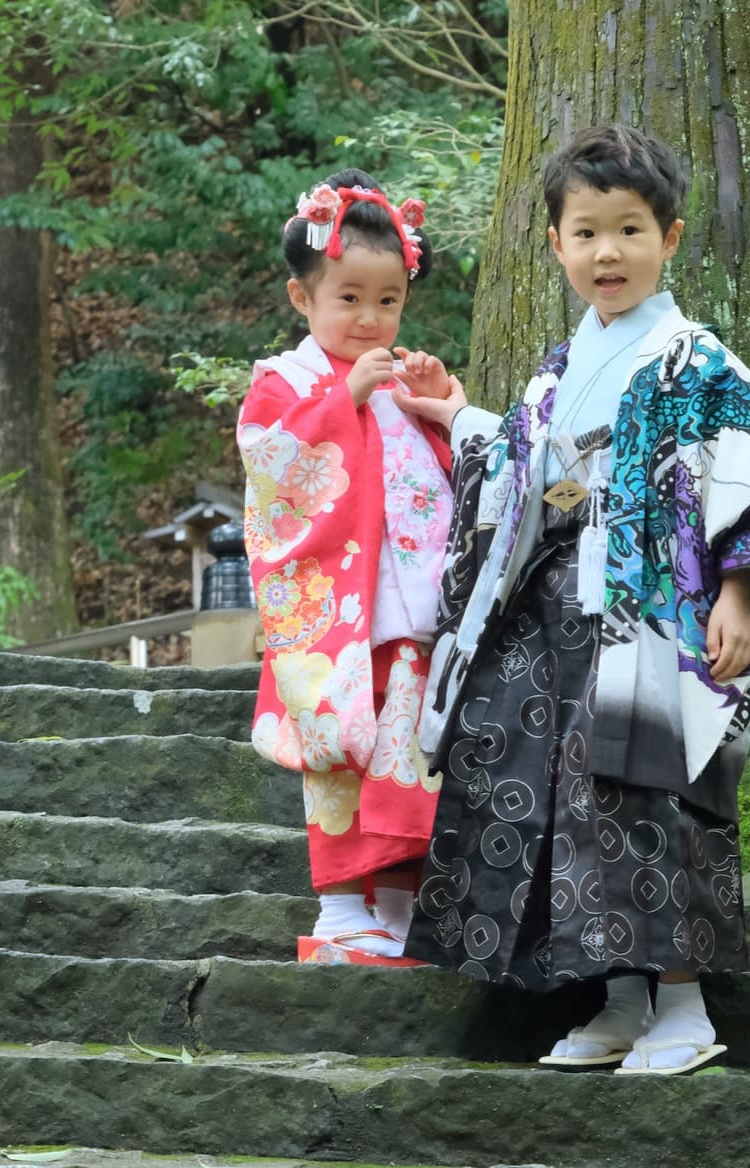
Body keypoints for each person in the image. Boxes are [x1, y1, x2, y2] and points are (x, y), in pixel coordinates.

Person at [396, 124, 750, 1070]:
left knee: (648, 788)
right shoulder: (555, 369)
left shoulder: (698, 360)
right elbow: (519, 469)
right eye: (585, 232)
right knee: (559, 800)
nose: (607, 252)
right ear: (556, 245)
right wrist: (455, 413)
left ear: (669, 237)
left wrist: (736, 598)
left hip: (649, 613)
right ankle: (618, 998)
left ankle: (686, 1009)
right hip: (548, 611)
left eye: (629, 230)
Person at [237, 168, 455, 963]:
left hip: (412, 610)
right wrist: (342, 405)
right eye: (349, 298)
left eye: (387, 300)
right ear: (303, 299)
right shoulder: (284, 382)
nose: (370, 319)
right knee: (337, 757)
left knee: (409, 761)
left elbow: (443, 480)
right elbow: (271, 471)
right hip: (334, 615)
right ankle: (338, 910)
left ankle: (397, 908)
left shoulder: (398, 379)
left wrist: (440, 409)